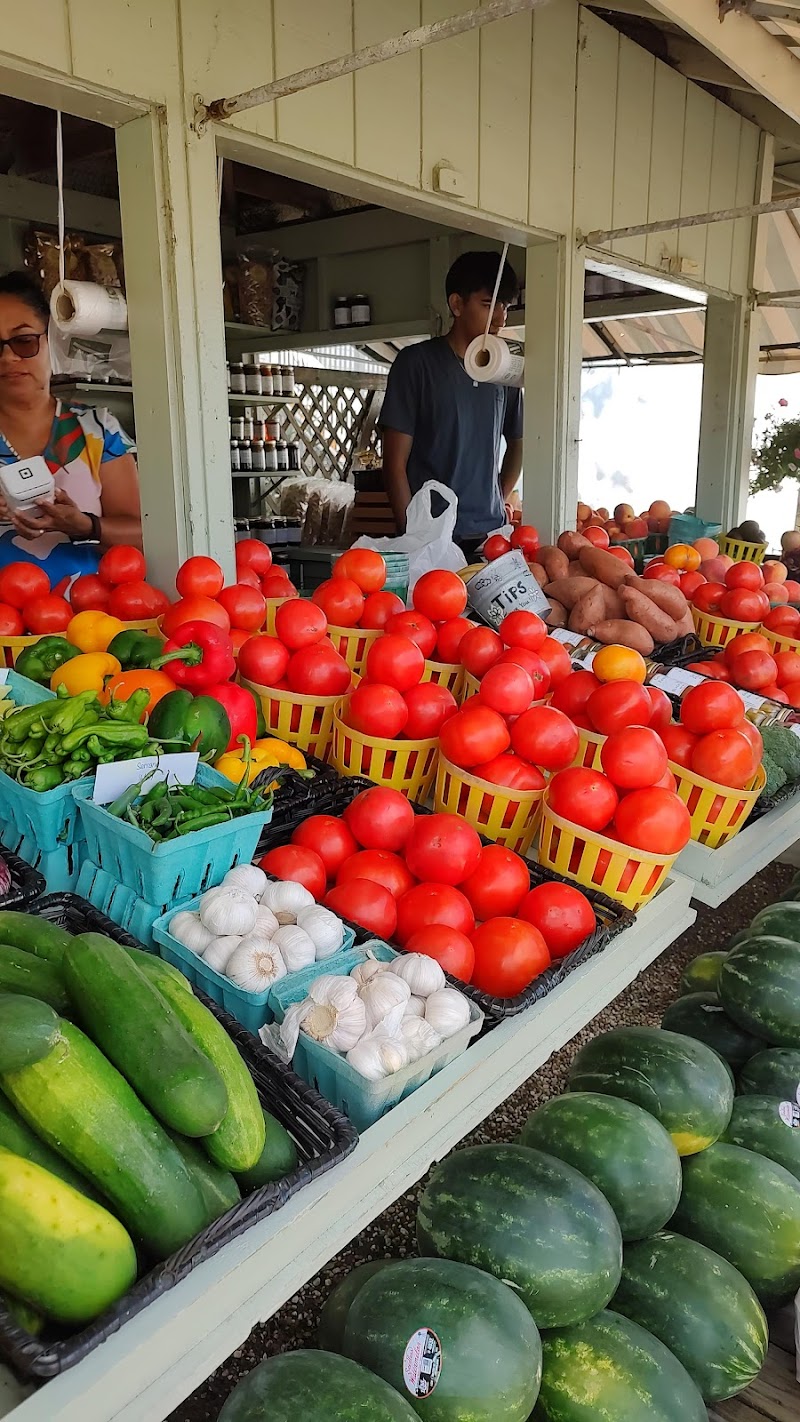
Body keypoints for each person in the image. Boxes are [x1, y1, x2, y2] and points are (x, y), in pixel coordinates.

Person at [381, 250, 523, 560]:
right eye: (488, 305)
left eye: (505, 306)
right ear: (456, 304)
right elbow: (394, 462)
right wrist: (413, 536)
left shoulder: (503, 368)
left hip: (490, 535)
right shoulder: (417, 364)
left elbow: (518, 442)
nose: (500, 318)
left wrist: (498, 498)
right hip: (432, 536)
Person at [0, 270, 141, 582]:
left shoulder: (98, 430)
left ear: (51, 339)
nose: (8, 358)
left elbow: (143, 535)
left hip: (90, 623)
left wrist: (85, 526)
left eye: (23, 341)